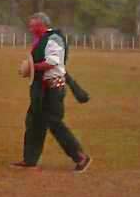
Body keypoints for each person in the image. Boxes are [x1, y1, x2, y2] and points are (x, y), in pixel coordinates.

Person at [12, 12, 92, 173]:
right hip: (42, 89)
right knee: (34, 122)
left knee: (54, 123)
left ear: (41, 25)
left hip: (53, 88)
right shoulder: (41, 40)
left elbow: (52, 62)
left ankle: (81, 157)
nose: (30, 28)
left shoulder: (53, 39)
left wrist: (31, 68)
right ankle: (30, 160)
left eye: (32, 25)